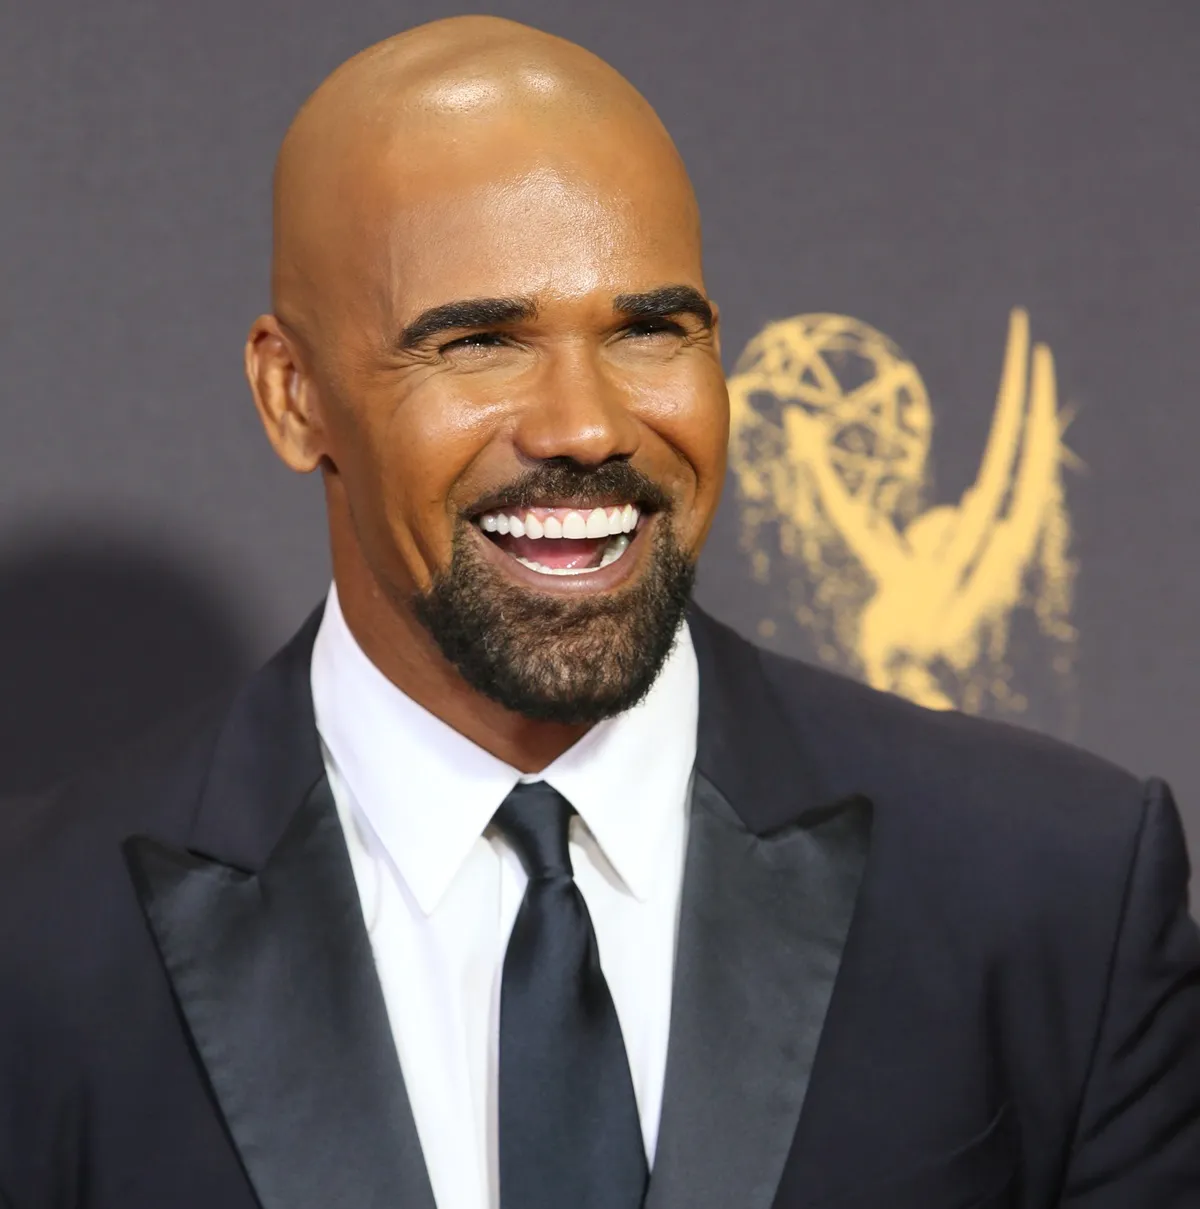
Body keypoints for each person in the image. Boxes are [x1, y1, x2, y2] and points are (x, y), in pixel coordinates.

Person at [1, 15, 1198, 1209]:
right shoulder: (40, 950)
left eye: (647, 331)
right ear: (293, 394)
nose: (584, 425)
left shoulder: (1052, 893)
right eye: (478, 343)